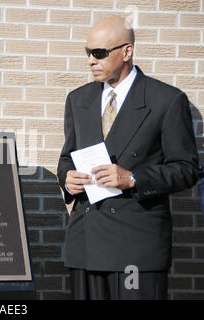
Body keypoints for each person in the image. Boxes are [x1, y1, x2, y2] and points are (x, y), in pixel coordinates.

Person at [57, 16, 199, 300]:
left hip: (136, 244)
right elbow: (67, 159)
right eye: (88, 53)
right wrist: (67, 180)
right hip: (86, 240)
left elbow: (187, 169)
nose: (91, 61)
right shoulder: (78, 99)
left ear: (127, 51)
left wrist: (133, 178)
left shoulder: (166, 100)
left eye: (99, 53)